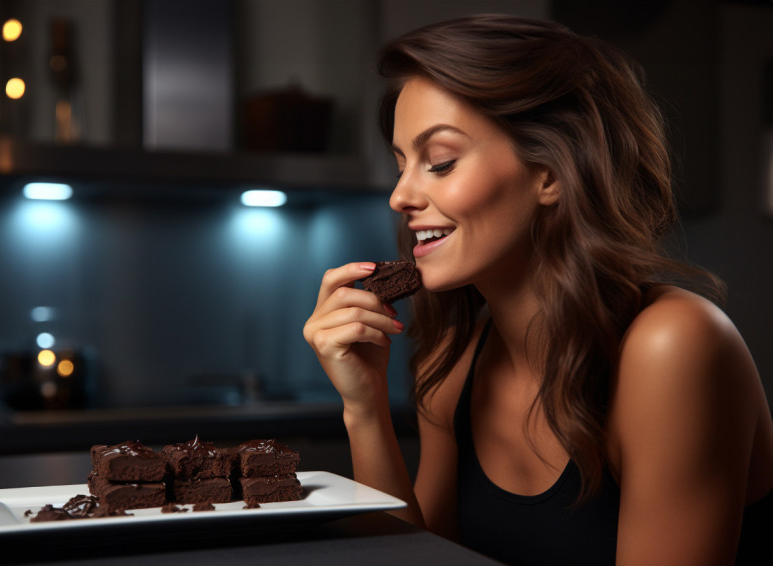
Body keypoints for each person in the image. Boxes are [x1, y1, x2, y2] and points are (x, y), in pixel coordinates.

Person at [303, 13, 773, 566]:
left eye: (440, 162)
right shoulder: (455, 371)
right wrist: (364, 408)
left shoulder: (673, 346)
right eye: (401, 165)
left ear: (550, 172)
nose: (400, 196)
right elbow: (411, 559)